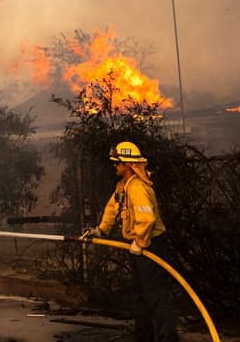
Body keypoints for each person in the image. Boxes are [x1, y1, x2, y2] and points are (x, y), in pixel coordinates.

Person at [80, 141, 179, 342]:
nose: (114, 166)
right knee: (140, 296)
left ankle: (167, 339)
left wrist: (140, 242)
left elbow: (147, 219)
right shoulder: (123, 186)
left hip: (151, 245)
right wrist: (101, 230)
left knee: (155, 296)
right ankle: (143, 338)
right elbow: (112, 209)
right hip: (138, 246)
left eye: (117, 163)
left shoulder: (137, 188)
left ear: (128, 164)